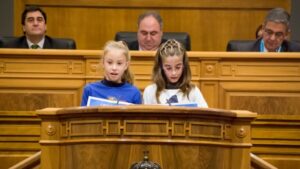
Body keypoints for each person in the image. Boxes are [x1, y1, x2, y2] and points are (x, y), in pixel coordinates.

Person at [143, 39, 208, 107]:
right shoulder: (150, 91)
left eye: (178, 67)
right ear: (161, 67)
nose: (174, 73)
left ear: (184, 66)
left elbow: (206, 115)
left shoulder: (193, 91)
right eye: (168, 68)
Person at [81, 41, 142, 106]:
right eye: (110, 62)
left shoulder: (134, 93)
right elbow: (82, 116)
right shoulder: (90, 90)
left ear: (126, 65)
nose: (114, 68)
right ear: (103, 63)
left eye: (119, 63)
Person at [227, 8, 300, 52]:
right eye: (269, 32)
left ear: (286, 34)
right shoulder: (240, 51)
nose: (272, 38)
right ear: (263, 28)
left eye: (278, 34)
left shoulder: (296, 51)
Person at [3, 6, 76, 49]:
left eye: (39, 20)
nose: (35, 23)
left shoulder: (62, 48)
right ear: (24, 27)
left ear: (45, 26)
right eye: (30, 20)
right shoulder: (9, 47)